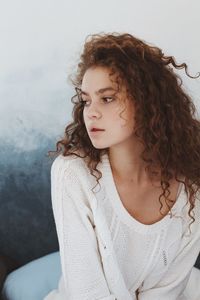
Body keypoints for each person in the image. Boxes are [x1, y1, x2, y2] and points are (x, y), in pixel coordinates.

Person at [46, 32, 200, 300]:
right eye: (86, 100)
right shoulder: (73, 173)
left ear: (146, 103)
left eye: (107, 98)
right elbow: (87, 293)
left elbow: (167, 290)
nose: (90, 112)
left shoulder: (191, 184)